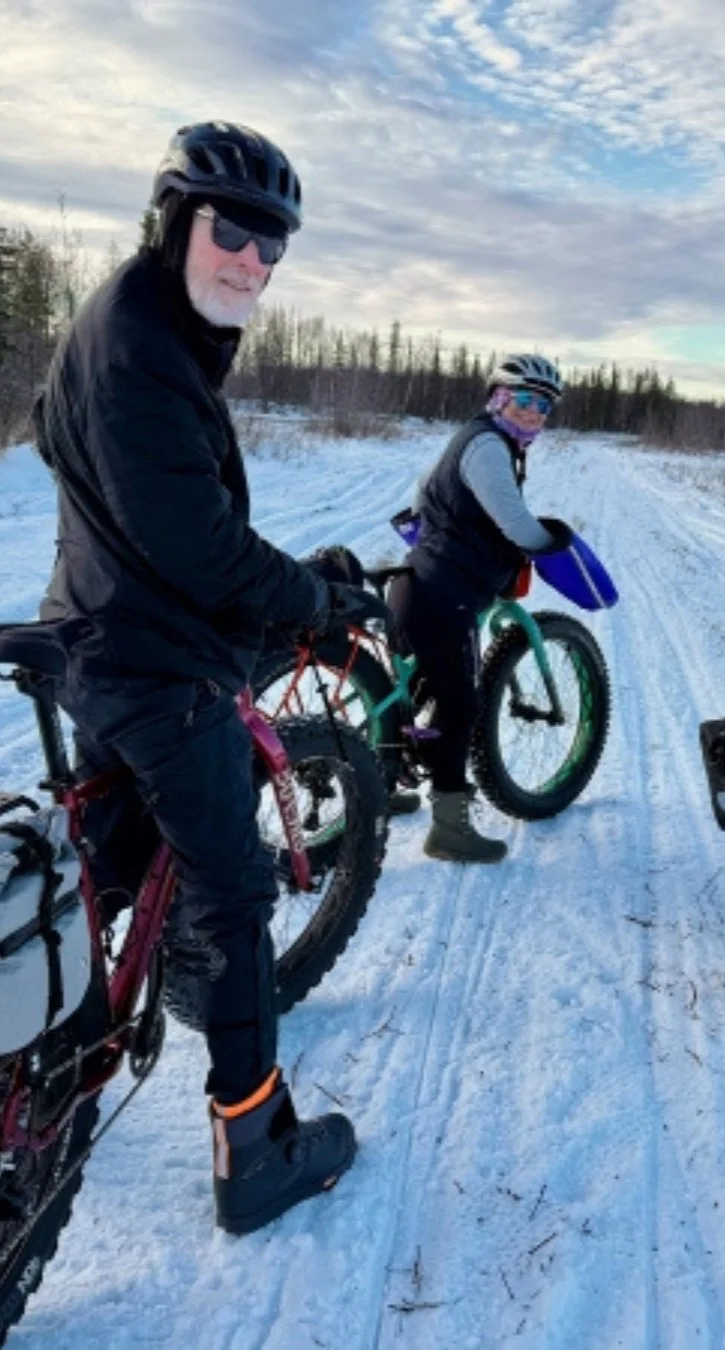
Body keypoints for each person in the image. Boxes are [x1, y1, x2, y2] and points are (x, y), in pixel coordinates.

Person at [33, 121, 381, 1234]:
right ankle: (255, 1143)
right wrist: (312, 599)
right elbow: (197, 545)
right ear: (173, 219)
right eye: (232, 228)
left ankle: (52, 1039)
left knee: (108, 860)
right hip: (154, 668)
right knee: (233, 894)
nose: (253, 260)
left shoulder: (132, 325)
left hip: (93, 637)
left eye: (272, 245)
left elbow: (64, 443)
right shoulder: (145, 345)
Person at [389, 354, 568, 863]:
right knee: (460, 705)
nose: (535, 413)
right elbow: (513, 520)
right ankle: (448, 829)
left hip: (421, 582)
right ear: (498, 397)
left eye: (545, 407)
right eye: (526, 400)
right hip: (448, 591)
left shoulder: (476, 437)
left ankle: (377, 783)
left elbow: (421, 489)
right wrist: (551, 544)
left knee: (412, 689)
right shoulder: (489, 447)